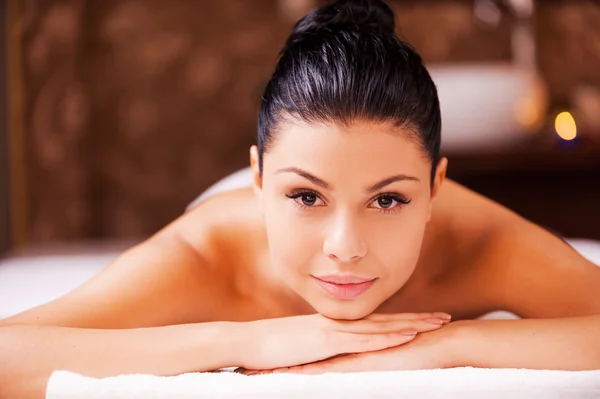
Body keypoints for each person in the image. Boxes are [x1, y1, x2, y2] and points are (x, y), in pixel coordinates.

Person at [1, 0, 599, 397]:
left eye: (388, 201)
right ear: (260, 177)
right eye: (306, 196)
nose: (346, 249)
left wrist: (451, 343)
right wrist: (245, 339)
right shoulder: (206, 255)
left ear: (437, 188)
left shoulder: (479, 243)